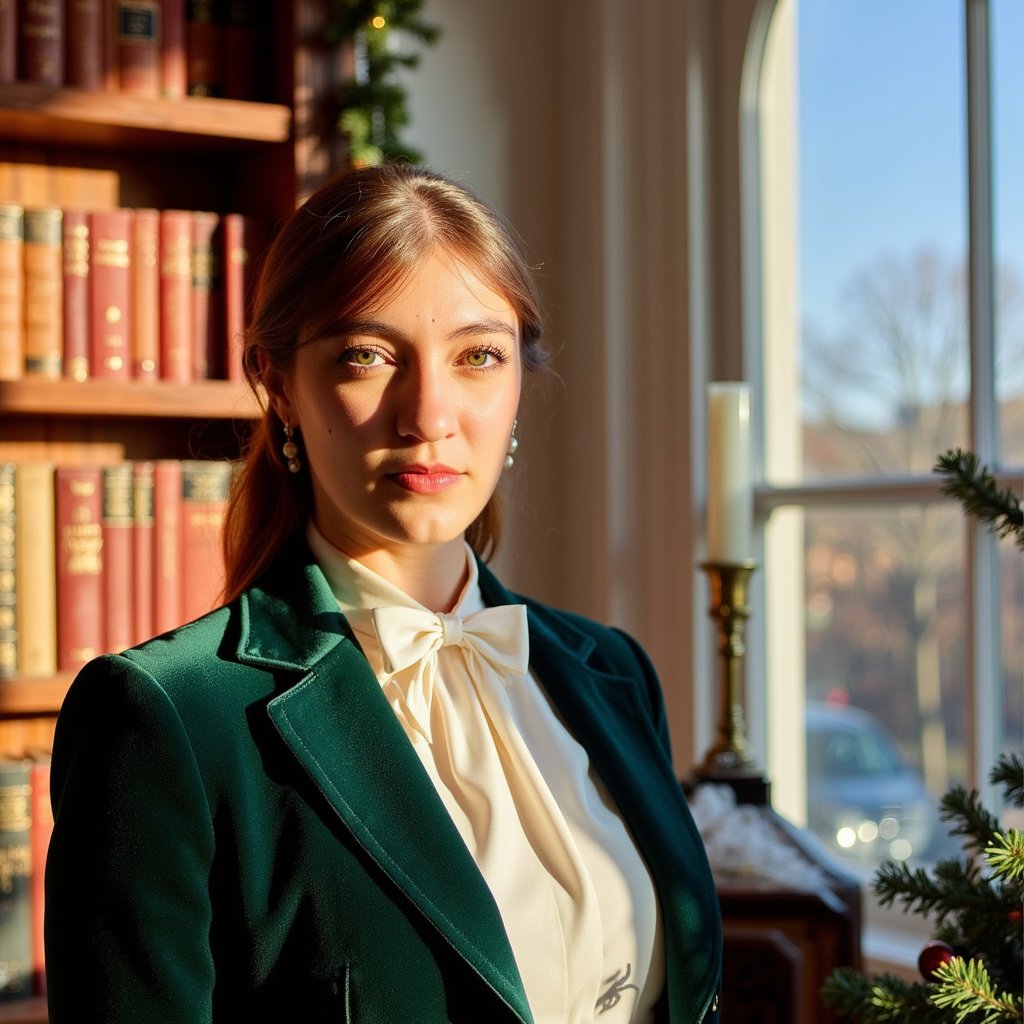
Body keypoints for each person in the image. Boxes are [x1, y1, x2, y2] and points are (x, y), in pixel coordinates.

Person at [44, 163, 722, 1023]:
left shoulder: (614, 672)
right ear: (278, 385)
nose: (429, 413)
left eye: (478, 356)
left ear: (519, 380)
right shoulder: (164, 718)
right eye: (367, 355)